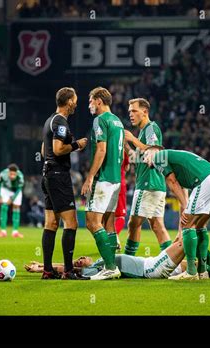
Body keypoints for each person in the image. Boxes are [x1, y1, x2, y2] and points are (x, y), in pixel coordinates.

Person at [145, 147, 210, 281]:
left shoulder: (158, 156)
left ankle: (191, 272)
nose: (144, 158)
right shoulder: (174, 158)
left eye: (146, 154)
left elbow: (172, 182)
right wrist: (185, 206)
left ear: (155, 150)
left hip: (206, 181)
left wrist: (185, 205)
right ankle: (202, 271)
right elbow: (181, 188)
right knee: (200, 227)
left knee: (188, 226)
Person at [25, 235, 210, 280]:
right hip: (151, 270)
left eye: (81, 258)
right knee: (188, 240)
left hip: (154, 261)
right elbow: (69, 269)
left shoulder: (103, 261)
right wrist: (43, 268)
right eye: (79, 262)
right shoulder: (95, 271)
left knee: (192, 250)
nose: (81, 259)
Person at [40, 87, 88, 280]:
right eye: (75, 100)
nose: (76, 103)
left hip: (47, 175)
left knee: (51, 223)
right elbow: (58, 149)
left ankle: (47, 270)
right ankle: (68, 271)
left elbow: (45, 150)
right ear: (69, 102)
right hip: (58, 176)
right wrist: (77, 145)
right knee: (72, 223)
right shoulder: (60, 122)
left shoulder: (49, 120)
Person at [81, 87, 125, 280]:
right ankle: (110, 263)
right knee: (108, 224)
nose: (89, 105)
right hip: (116, 180)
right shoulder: (118, 121)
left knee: (92, 222)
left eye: (90, 100)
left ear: (99, 100)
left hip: (103, 179)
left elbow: (101, 150)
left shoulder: (100, 120)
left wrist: (90, 176)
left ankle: (110, 267)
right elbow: (121, 153)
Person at [123, 98, 172, 256]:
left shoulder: (151, 128)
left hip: (147, 185)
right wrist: (126, 144)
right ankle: (171, 261)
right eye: (129, 111)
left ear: (145, 112)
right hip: (157, 185)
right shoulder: (144, 131)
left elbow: (154, 151)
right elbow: (136, 157)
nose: (131, 114)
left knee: (133, 224)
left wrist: (133, 139)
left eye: (134, 111)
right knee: (158, 226)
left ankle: (127, 260)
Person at [0, 164, 25, 238]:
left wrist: (12, 199)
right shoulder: (3, 174)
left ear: (16, 173)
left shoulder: (20, 176)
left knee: (16, 207)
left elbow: (19, 189)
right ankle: (3, 231)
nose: (12, 176)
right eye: (11, 174)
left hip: (16, 191)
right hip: (5, 189)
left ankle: (15, 232)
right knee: (4, 207)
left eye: (14, 174)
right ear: (8, 172)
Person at [114, 151, 130, 251]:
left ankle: (111, 239)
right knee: (120, 216)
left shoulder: (104, 146)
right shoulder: (122, 150)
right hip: (119, 183)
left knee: (107, 215)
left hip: (105, 183)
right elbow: (127, 167)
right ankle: (114, 238)